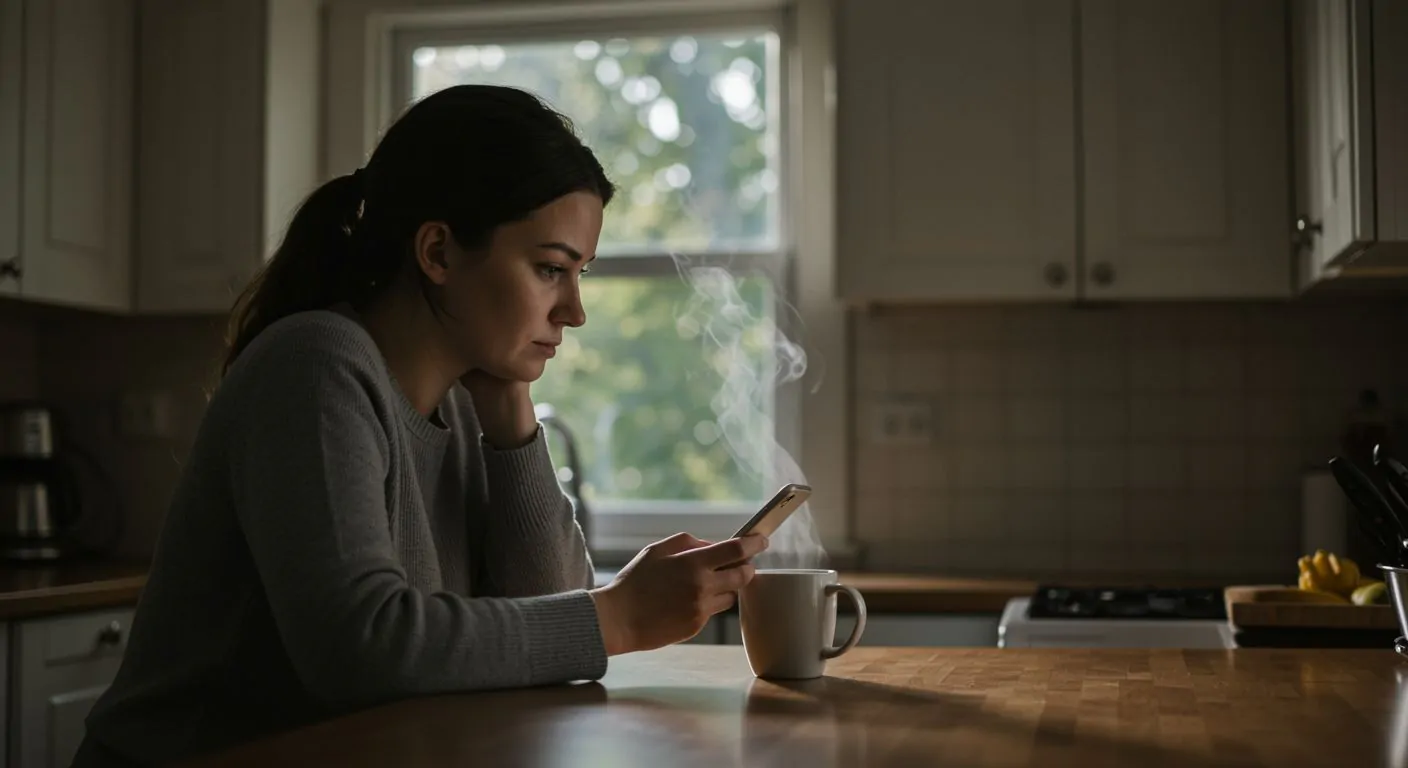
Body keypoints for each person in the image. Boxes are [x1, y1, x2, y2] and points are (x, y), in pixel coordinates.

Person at [72, 84, 766, 766]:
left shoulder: (466, 403)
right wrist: (617, 615)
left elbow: (546, 619)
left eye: (579, 272)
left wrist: (511, 421)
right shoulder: (315, 366)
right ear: (436, 252)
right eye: (550, 269)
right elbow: (360, 647)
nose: (574, 311)